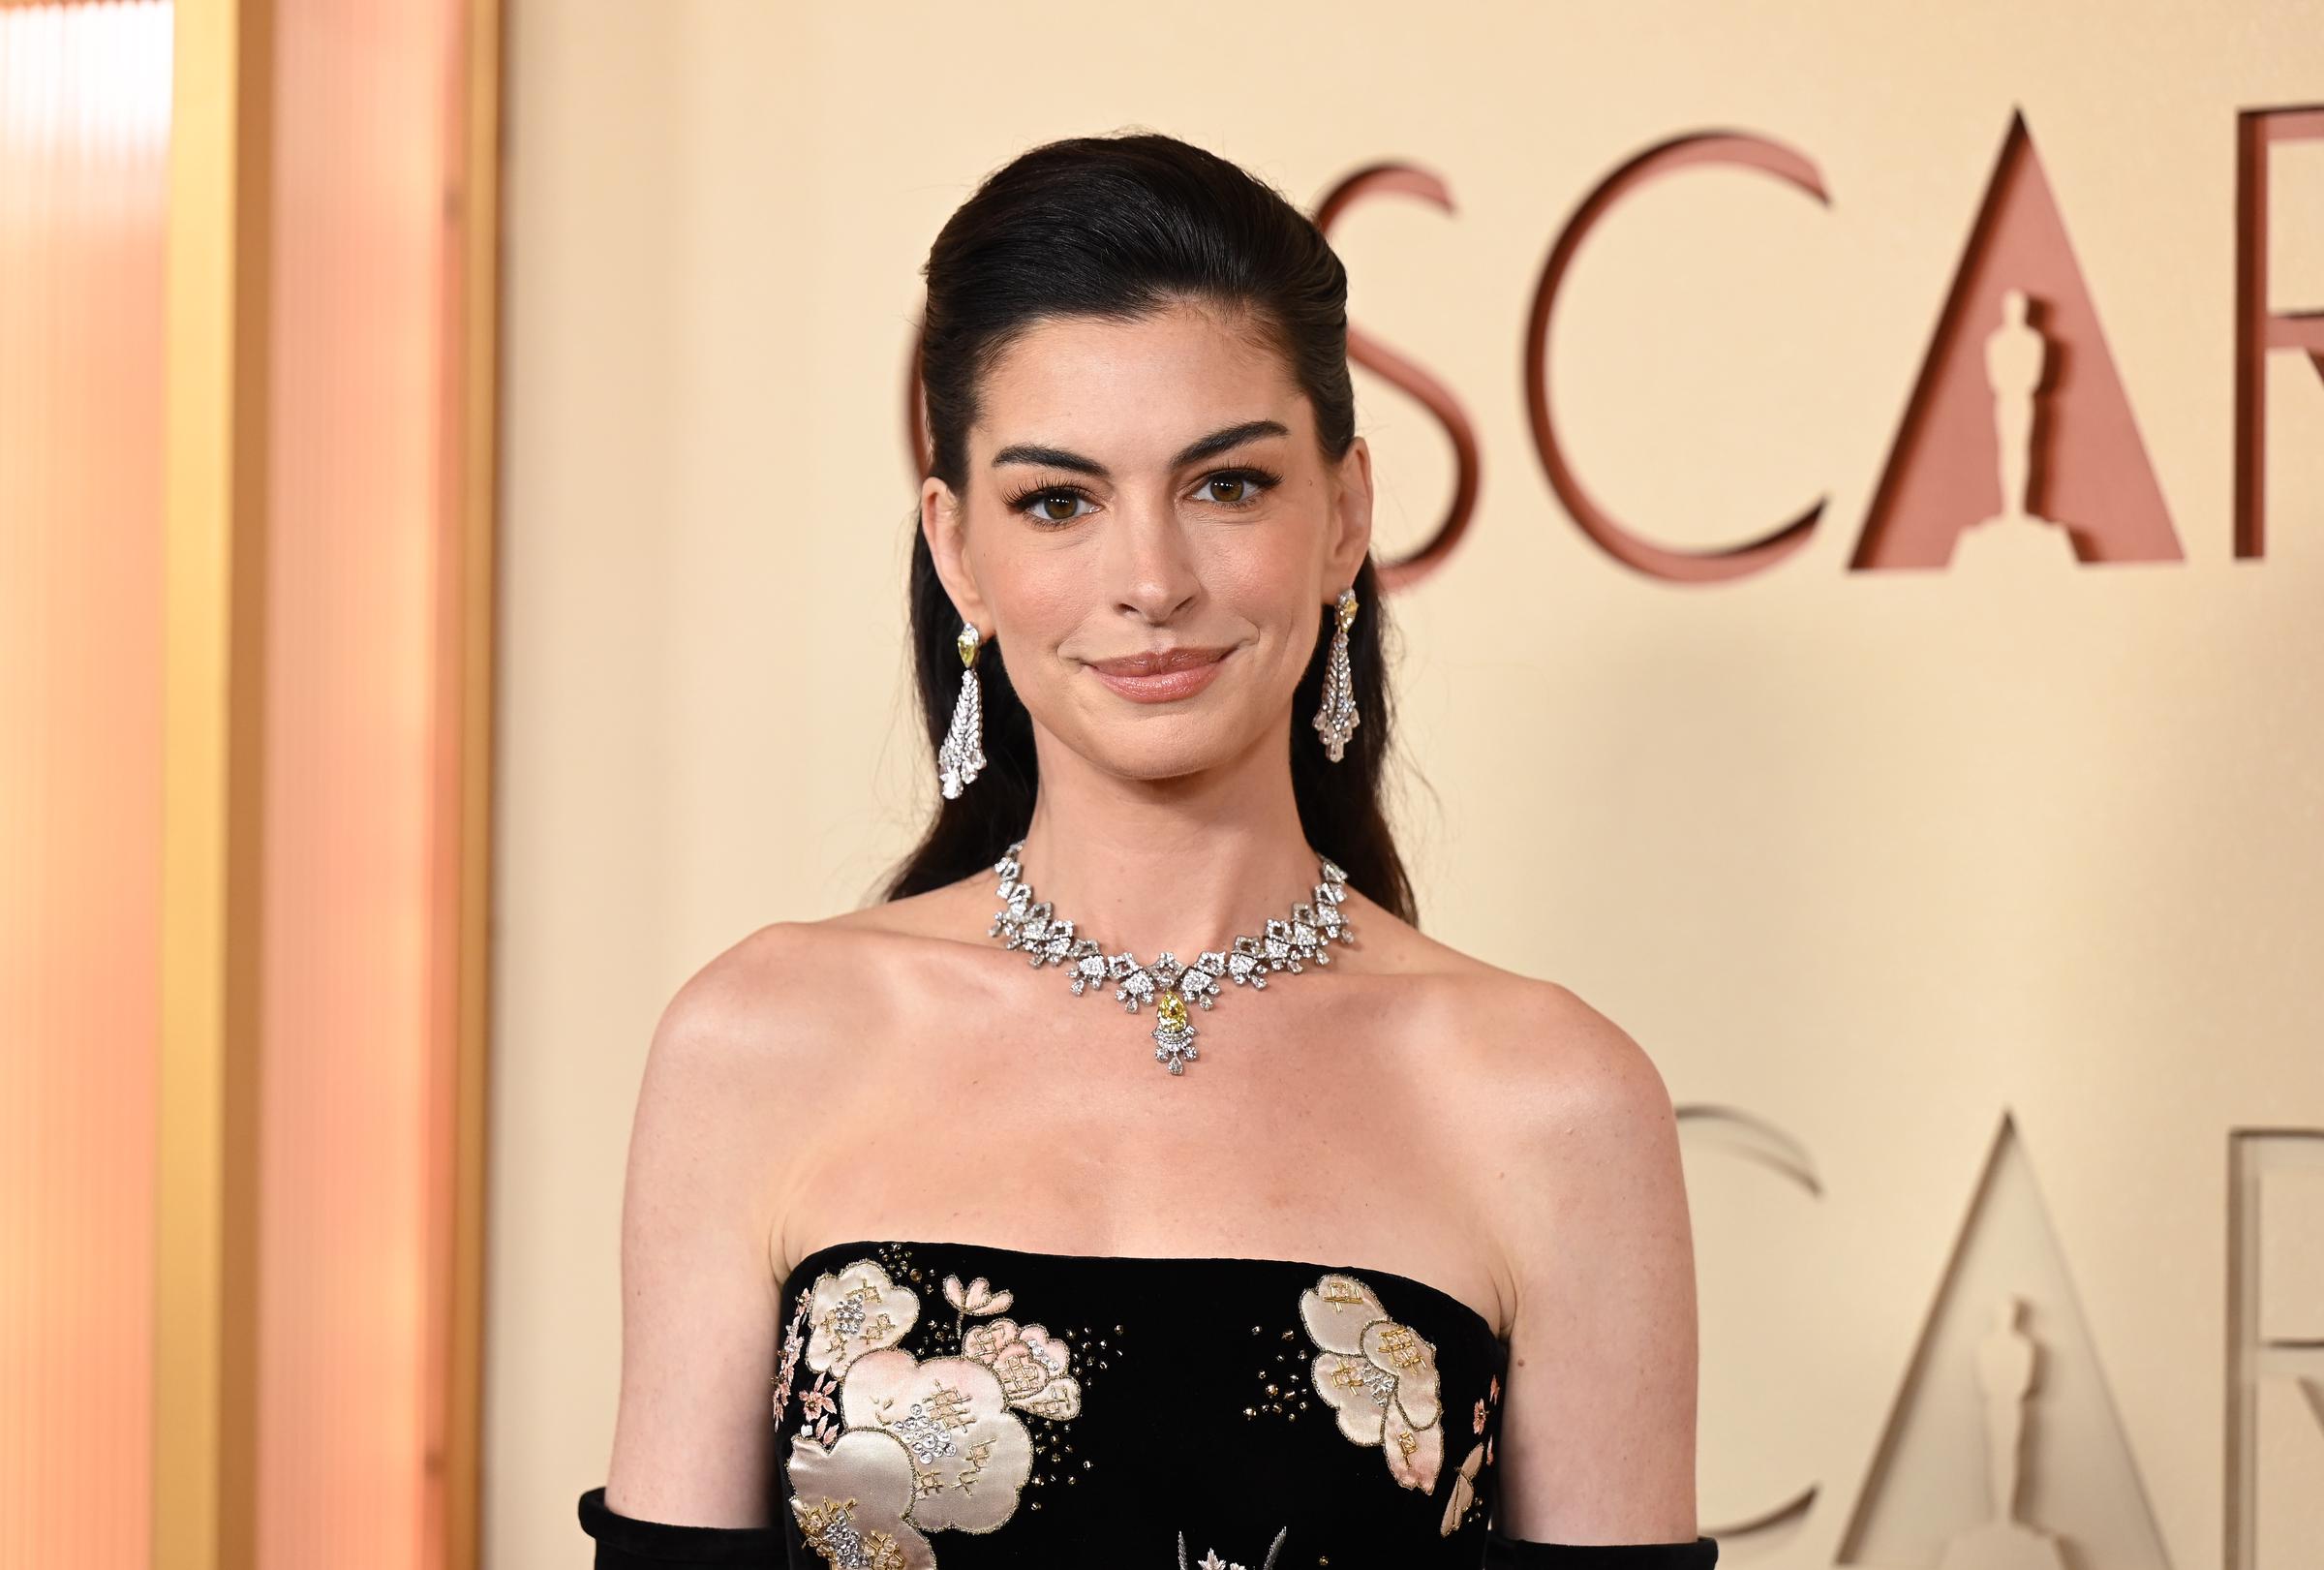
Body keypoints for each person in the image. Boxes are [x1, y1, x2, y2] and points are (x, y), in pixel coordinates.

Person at [577, 129, 1716, 1569]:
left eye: (1226, 485)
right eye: (1058, 500)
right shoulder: (761, 1046)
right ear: (958, 551)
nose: (1151, 582)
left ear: (1345, 515)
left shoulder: (1555, 1102)